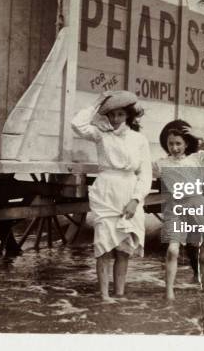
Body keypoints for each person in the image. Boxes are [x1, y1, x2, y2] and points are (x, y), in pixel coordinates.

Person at [71, 90, 152, 302]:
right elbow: (77, 124)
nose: (115, 119)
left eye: (120, 115)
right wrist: (97, 103)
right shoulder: (101, 135)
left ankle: (119, 293)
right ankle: (104, 296)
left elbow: (145, 173)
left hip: (128, 191)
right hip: (106, 191)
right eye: (112, 115)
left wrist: (136, 200)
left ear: (129, 116)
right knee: (103, 246)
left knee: (124, 249)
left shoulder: (139, 140)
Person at [153, 120, 204, 300]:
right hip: (176, 208)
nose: (174, 147)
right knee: (172, 250)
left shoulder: (198, 159)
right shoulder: (161, 164)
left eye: (178, 143)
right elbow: (140, 170)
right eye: (171, 144)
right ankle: (169, 294)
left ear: (186, 143)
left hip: (199, 206)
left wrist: (201, 135)